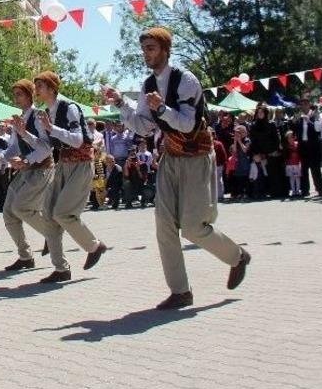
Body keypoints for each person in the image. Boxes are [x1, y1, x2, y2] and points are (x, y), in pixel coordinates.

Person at [103, 27, 250, 310]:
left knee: (194, 228)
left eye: (151, 48)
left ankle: (237, 256)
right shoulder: (148, 85)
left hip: (196, 155)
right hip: (170, 156)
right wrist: (122, 103)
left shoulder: (185, 80)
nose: (146, 53)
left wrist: (161, 110)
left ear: (165, 50)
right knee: (164, 224)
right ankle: (180, 291)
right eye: (144, 48)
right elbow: (143, 126)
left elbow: (186, 123)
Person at [33, 71, 107, 284]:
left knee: (63, 213)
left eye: (40, 86)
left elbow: (77, 140)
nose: (36, 90)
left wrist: (51, 128)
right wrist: (24, 134)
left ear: (51, 87)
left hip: (82, 164)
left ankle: (94, 246)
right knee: (48, 214)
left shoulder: (69, 108)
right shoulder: (47, 111)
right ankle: (61, 269)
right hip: (64, 163)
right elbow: (46, 145)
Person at [0, 79, 55, 274]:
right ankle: (25, 256)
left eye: (20, 94)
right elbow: (13, 148)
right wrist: (0, 157)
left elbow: (46, 148)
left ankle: (51, 235)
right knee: (9, 212)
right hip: (26, 170)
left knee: (22, 208)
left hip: (41, 169)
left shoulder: (38, 116)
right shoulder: (18, 118)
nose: (16, 98)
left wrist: (26, 160)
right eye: (15, 95)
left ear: (30, 95)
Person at [294, 98, 322, 198]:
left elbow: (318, 129)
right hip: (303, 146)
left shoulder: (314, 115)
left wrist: (309, 121)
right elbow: (295, 130)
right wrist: (294, 120)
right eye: (302, 104)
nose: (303, 106)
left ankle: (320, 189)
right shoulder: (299, 117)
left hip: (314, 146)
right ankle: (305, 190)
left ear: (309, 104)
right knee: (304, 169)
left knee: (315, 169)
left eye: (305, 104)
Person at [283, 131, 302, 197]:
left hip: (297, 163)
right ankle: (293, 191)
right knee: (291, 178)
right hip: (289, 164)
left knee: (297, 177)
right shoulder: (286, 146)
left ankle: (298, 190)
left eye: (292, 137)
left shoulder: (297, 144)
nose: (290, 139)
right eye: (288, 138)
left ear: (294, 137)